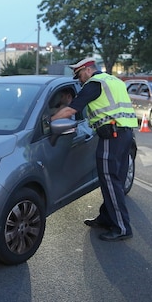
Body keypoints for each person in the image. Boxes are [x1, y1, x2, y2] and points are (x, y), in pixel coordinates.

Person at [51, 57, 138, 241]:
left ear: (88, 70)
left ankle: (122, 227)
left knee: (110, 180)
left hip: (111, 137)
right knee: (116, 180)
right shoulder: (113, 81)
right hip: (125, 134)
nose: (80, 80)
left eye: (80, 75)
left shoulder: (94, 84)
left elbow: (70, 111)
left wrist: (49, 120)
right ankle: (107, 217)